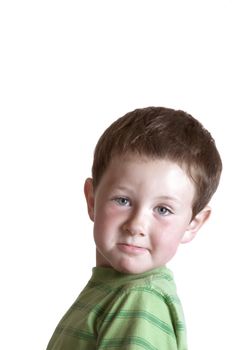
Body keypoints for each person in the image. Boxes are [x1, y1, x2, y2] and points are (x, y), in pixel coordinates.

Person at [46, 107, 222, 350]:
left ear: (194, 224)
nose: (136, 225)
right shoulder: (114, 291)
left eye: (163, 210)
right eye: (123, 200)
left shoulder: (139, 299)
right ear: (92, 200)